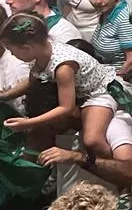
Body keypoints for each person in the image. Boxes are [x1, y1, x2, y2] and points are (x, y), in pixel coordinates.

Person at [0, 13, 118, 159]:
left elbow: (66, 108)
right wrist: (5, 96)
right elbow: (31, 81)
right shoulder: (41, 55)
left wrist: (28, 123)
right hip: (77, 93)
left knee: (92, 140)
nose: (12, 55)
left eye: (12, 51)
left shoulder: (63, 67)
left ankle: (114, 169)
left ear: (26, 48)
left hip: (98, 93)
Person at [84, 0, 132, 78]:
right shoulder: (107, 12)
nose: (98, 0)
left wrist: (114, 82)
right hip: (105, 73)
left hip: (123, 80)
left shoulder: (124, 19)